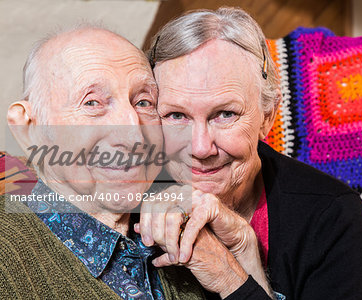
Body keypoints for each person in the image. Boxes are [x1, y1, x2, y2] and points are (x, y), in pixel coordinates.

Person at [136, 7, 362, 299]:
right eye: (175, 116)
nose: (199, 147)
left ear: (267, 116)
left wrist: (233, 270)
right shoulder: (124, 201)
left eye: (224, 114)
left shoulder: (329, 215)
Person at [2, 25, 208, 299]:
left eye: (144, 102)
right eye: (92, 103)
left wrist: (241, 250)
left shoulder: (183, 221)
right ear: (28, 128)